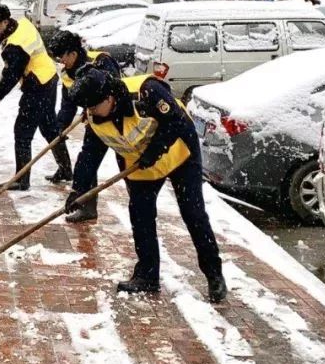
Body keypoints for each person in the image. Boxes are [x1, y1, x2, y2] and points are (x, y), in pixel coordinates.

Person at [66, 68, 227, 303]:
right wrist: (78, 190)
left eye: (93, 106)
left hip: (179, 154)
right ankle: (147, 276)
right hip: (140, 165)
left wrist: (156, 149)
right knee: (140, 216)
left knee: (193, 213)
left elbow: (176, 122)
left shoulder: (146, 93)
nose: (90, 112)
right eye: (87, 108)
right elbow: (89, 155)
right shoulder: (95, 115)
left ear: (109, 97)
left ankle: (214, 274)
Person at [0, 4, 66, 190]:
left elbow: (12, 73)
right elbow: (12, 69)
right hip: (49, 77)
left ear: (5, 22)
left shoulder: (15, 45)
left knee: (22, 133)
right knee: (49, 127)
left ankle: (22, 179)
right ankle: (66, 169)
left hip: (37, 85)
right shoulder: (22, 24)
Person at [47, 30, 121, 222]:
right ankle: (87, 205)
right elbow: (67, 104)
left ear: (73, 53)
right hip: (96, 121)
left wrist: (93, 104)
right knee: (88, 160)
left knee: (127, 164)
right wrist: (59, 129)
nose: (60, 62)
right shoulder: (67, 75)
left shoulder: (101, 62)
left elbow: (114, 89)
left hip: (121, 120)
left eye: (62, 57)